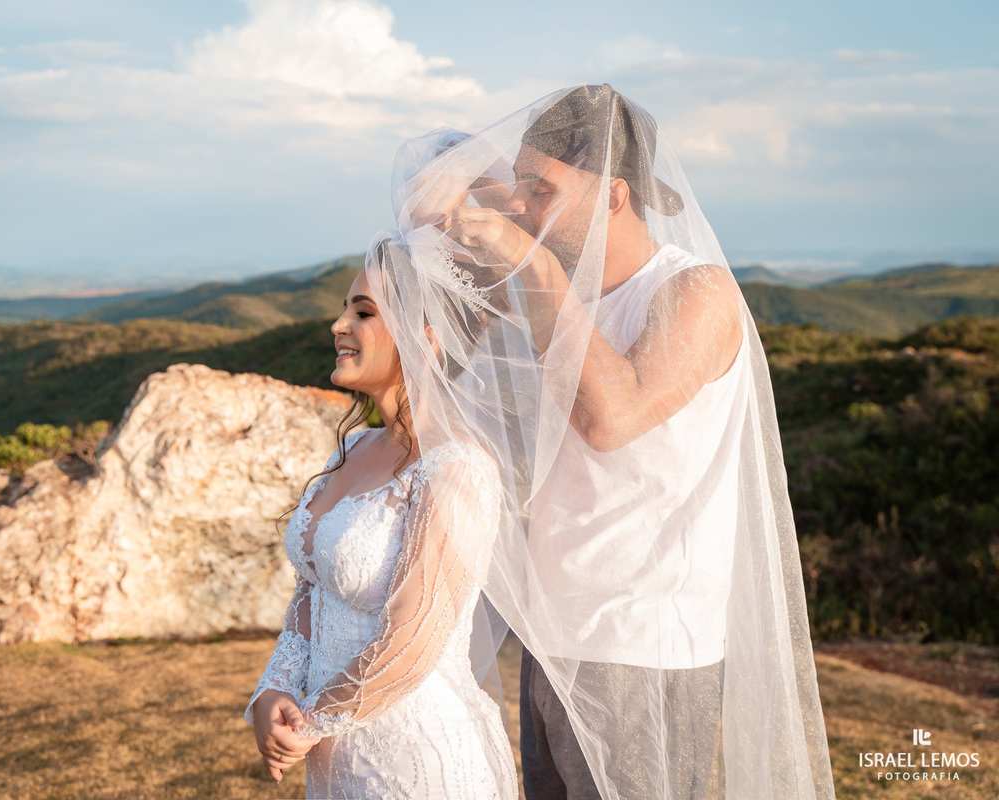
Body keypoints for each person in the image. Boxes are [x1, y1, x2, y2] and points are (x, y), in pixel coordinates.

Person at [382, 85, 836, 799]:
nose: (523, 206)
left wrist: (533, 267)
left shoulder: (695, 293)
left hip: (643, 645)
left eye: (543, 189)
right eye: (521, 186)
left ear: (616, 195)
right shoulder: (559, 297)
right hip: (550, 638)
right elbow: (417, 220)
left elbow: (610, 418)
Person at [245, 253, 518, 799]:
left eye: (364, 312)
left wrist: (312, 722)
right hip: (335, 759)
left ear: (428, 338)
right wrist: (272, 690)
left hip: (416, 759)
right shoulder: (353, 448)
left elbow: (413, 638)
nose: (339, 325)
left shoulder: (456, 468)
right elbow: (312, 590)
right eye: (346, 309)